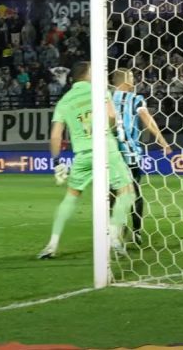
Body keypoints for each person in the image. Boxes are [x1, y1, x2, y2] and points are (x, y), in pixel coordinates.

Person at [37, 61, 136, 259]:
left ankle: (52, 244)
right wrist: (108, 129)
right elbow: (111, 117)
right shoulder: (100, 91)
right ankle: (114, 235)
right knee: (127, 191)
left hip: (82, 155)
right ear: (88, 74)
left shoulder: (64, 101)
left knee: (71, 196)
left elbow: (56, 136)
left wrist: (56, 162)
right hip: (106, 149)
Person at [110, 68, 172, 245]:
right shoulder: (134, 99)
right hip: (130, 153)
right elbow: (147, 119)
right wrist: (162, 141)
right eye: (131, 77)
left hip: (111, 154)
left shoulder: (105, 99)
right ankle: (136, 232)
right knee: (134, 192)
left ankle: (113, 230)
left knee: (112, 193)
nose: (134, 81)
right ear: (125, 81)